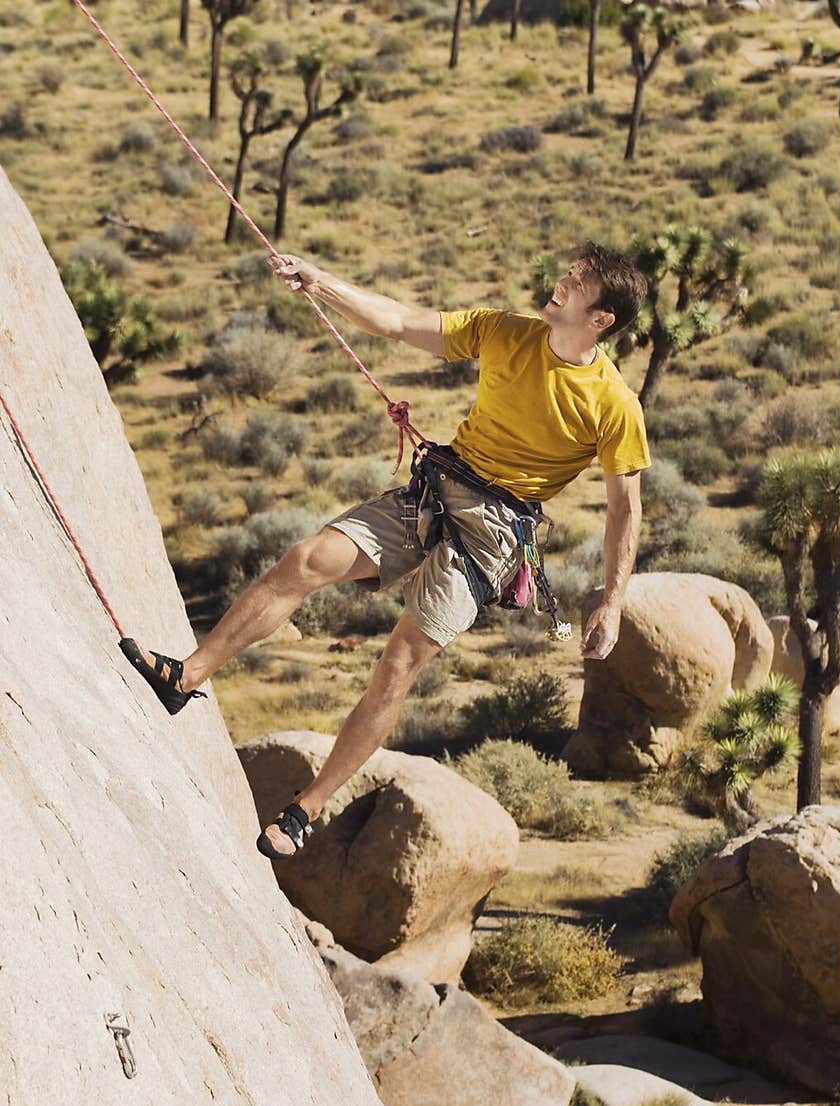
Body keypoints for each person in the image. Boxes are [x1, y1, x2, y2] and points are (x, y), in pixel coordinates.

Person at [120, 241, 651, 858]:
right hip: (437, 491)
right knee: (305, 560)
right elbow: (401, 322)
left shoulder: (614, 404)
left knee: (398, 664)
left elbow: (624, 509)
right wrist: (321, 283)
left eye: (578, 282)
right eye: (567, 271)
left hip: (492, 538)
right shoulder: (506, 332)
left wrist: (613, 603)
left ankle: (304, 811)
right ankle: (186, 676)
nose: (561, 280)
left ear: (601, 319)